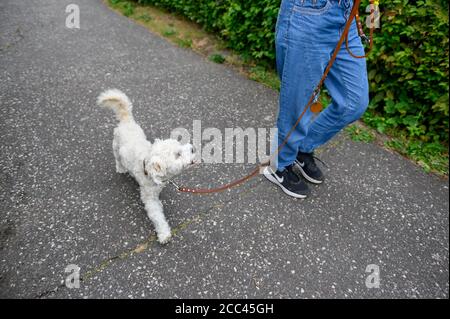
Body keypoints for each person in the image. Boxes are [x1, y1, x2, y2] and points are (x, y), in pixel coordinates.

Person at [264, 0, 369, 198]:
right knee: (300, 101)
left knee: (354, 103)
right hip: (309, 12)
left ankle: (302, 149)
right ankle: (280, 164)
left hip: (348, 16)